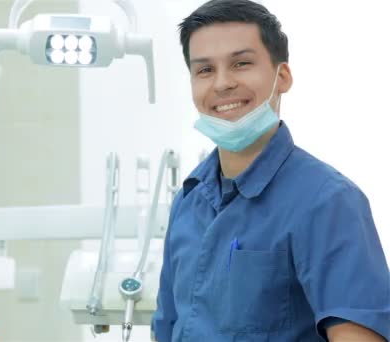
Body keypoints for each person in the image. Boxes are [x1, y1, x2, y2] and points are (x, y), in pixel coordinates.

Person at [151, 1, 389, 341]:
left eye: (241, 63)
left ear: (283, 77)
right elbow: (167, 327)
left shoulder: (328, 202)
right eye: (204, 70)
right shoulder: (189, 202)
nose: (222, 84)